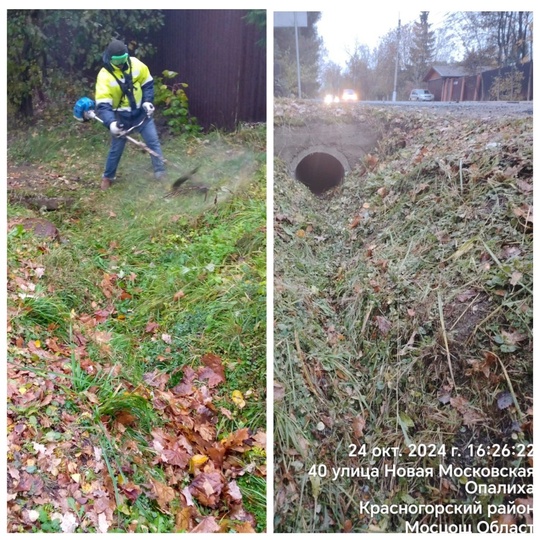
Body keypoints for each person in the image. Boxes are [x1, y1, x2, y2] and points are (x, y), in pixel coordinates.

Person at [95, 39, 166, 190]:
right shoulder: (104, 76)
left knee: (153, 141)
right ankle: (108, 176)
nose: (121, 64)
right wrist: (111, 123)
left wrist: (148, 101)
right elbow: (103, 105)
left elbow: (147, 84)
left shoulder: (136, 64)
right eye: (117, 62)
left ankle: (160, 172)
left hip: (141, 113)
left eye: (123, 60)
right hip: (121, 117)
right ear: (110, 58)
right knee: (116, 148)